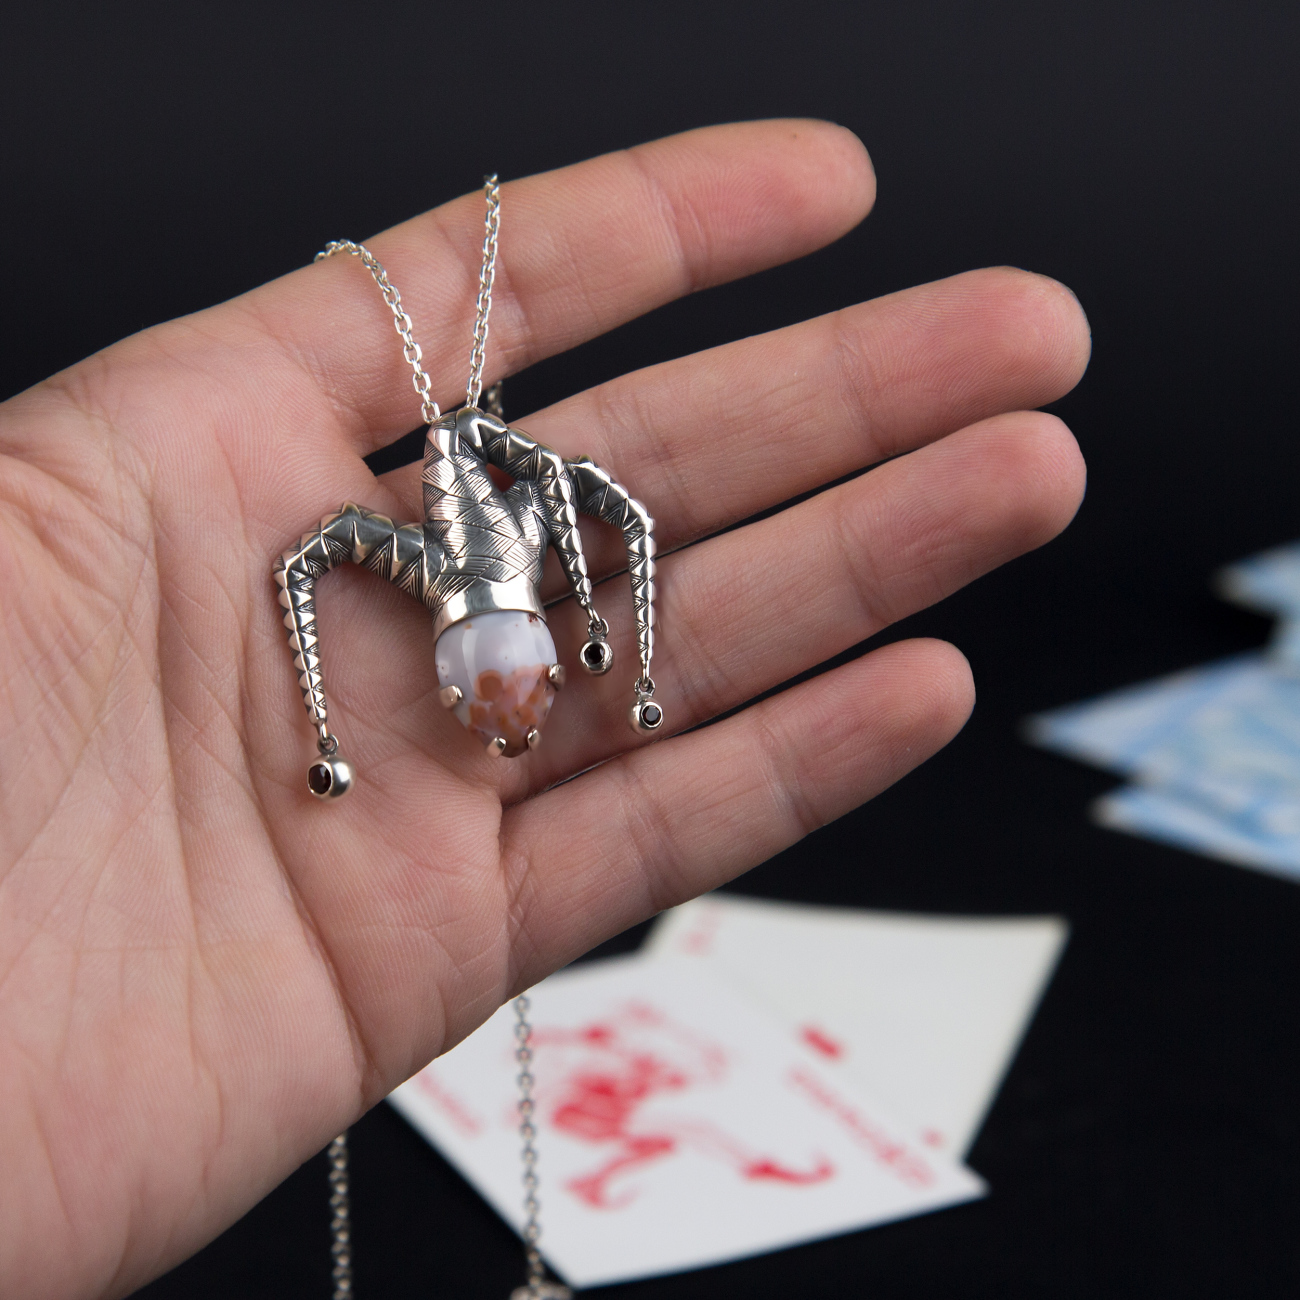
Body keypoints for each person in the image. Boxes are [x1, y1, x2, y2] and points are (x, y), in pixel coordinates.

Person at [0, 119, 1089, 1299]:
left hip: (496, 593)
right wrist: (325, 716)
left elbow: (586, 504)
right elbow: (313, 554)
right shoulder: (437, 548)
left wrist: (584, 589)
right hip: (481, 599)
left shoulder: (498, 518)